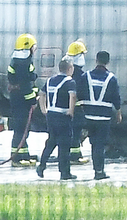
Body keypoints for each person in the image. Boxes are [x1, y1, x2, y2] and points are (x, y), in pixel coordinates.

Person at [76, 51, 122, 180]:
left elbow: (79, 93)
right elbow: (116, 98)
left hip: (89, 116)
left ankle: (97, 168)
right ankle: (99, 171)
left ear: (96, 60)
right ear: (107, 62)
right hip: (104, 117)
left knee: (94, 144)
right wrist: (118, 112)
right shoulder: (111, 78)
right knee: (100, 145)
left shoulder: (86, 76)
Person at [36, 58, 78, 180]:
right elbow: (73, 96)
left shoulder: (50, 80)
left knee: (51, 141)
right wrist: (71, 110)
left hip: (51, 115)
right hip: (63, 116)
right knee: (64, 144)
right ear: (69, 68)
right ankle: (65, 172)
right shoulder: (70, 81)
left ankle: (42, 165)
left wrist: (44, 109)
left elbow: (41, 94)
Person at [8, 33, 40, 167]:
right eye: (34, 46)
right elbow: (26, 85)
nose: (35, 49)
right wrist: (32, 100)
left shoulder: (17, 60)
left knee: (22, 129)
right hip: (22, 101)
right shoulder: (24, 63)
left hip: (17, 99)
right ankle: (16, 158)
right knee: (21, 128)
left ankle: (23, 155)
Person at [66, 40, 89, 164]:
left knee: (71, 132)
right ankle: (75, 156)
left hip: (66, 108)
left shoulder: (67, 71)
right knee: (75, 132)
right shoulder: (80, 75)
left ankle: (73, 154)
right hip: (76, 108)